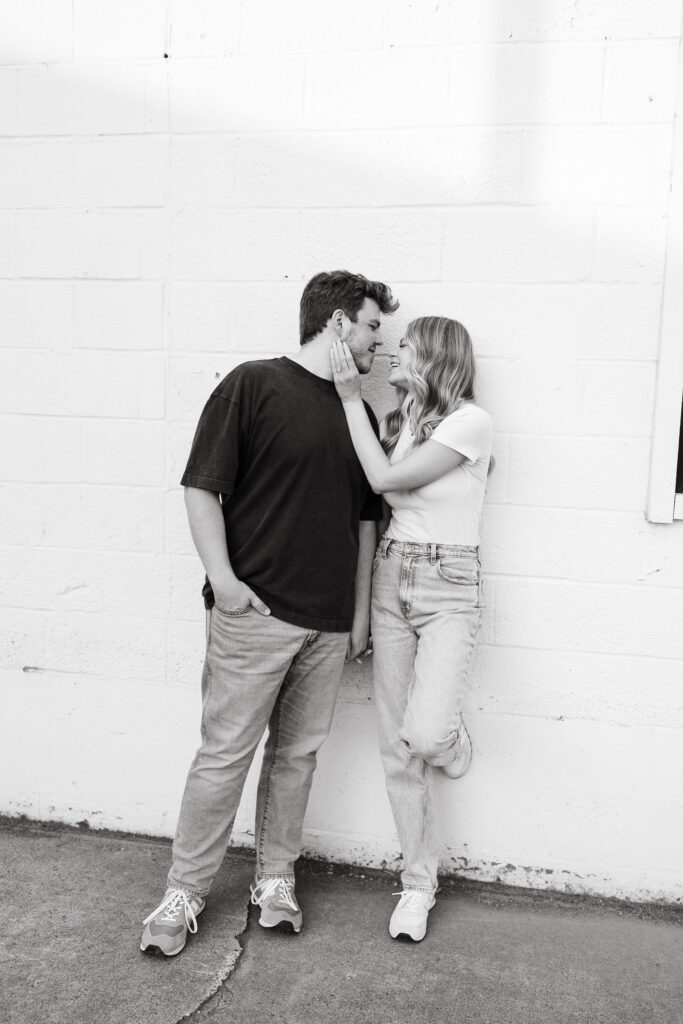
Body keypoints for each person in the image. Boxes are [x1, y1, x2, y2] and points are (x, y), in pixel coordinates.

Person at [140, 270, 398, 956]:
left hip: (328, 622)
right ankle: (185, 890)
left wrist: (360, 613)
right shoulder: (253, 385)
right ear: (338, 323)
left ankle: (274, 878)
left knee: (297, 758)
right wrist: (223, 581)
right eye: (373, 325)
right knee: (225, 756)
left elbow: (367, 524)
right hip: (254, 613)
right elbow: (201, 488)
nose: (381, 340)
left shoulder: (360, 414)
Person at [330, 316, 492, 943]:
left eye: (406, 347)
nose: (394, 352)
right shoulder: (402, 424)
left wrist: (349, 397)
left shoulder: (470, 423)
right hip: (393, 574)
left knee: (423, 733)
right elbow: (383, 495)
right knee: (396, 746)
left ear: (436, 358)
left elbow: (385, 481)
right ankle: (417, 885)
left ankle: (448, 740)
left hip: (449, 584)